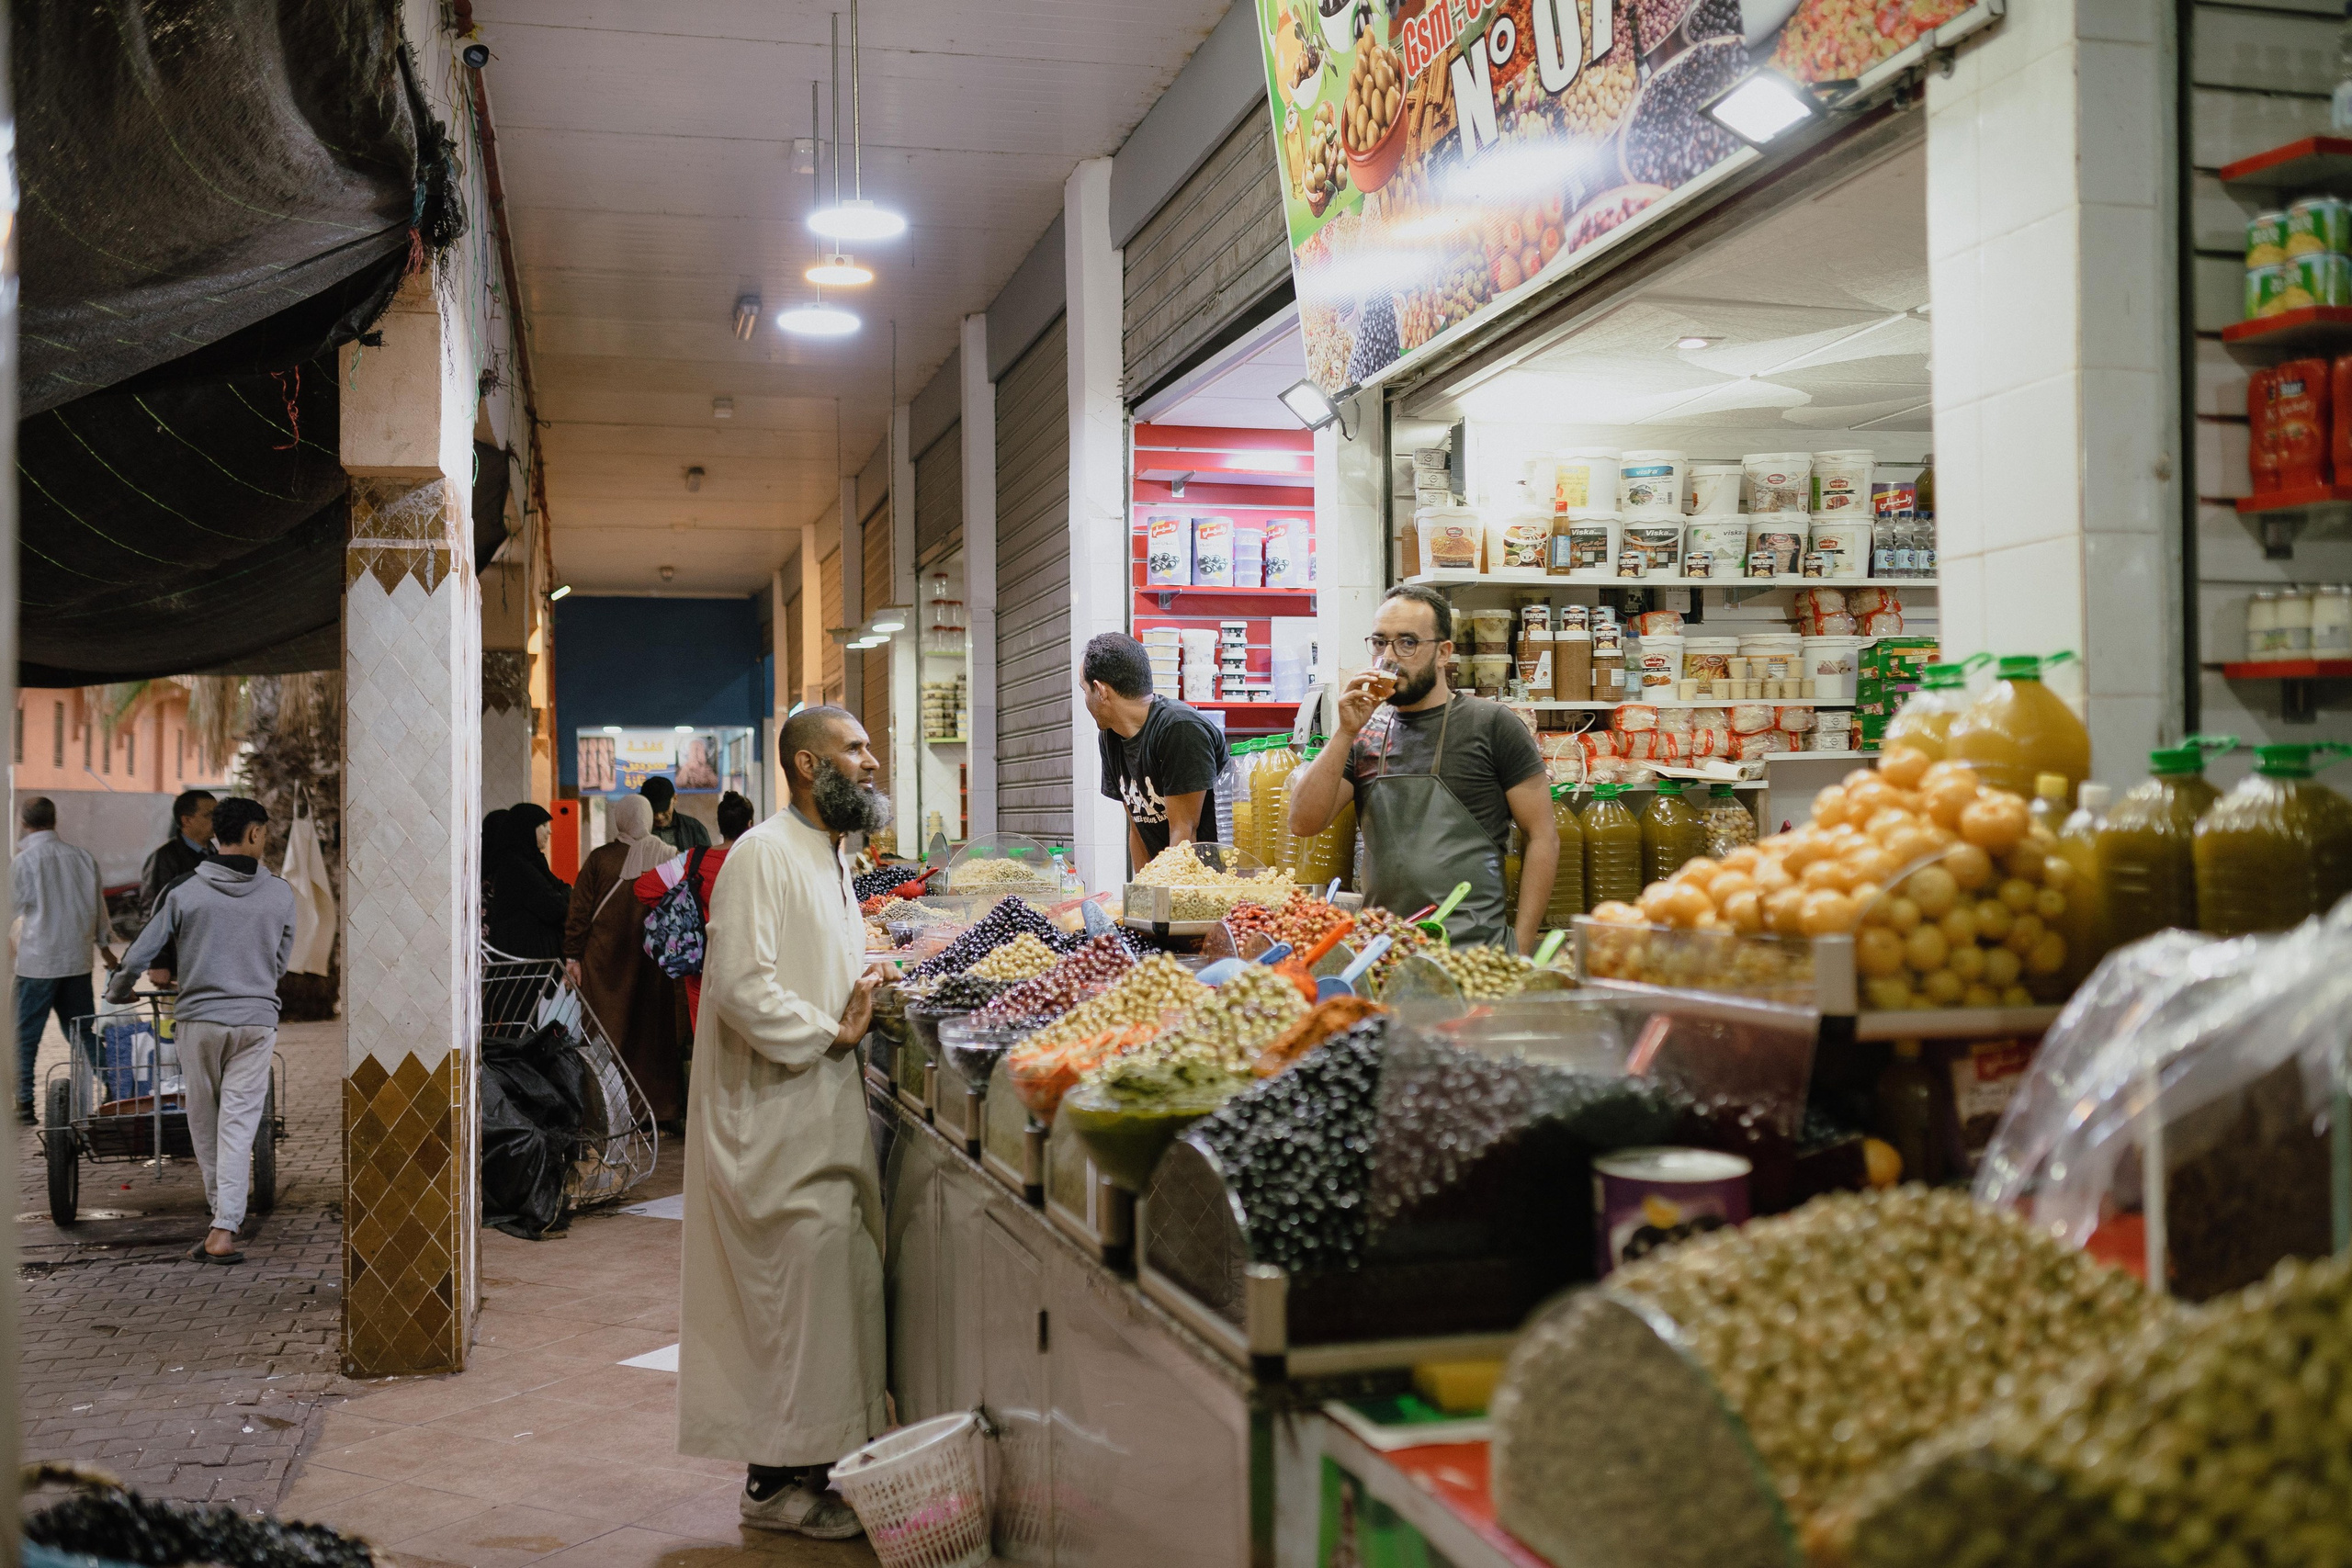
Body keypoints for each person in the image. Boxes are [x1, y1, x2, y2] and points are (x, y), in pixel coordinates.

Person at [679, 707, 890, 1540]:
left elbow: (815, 953)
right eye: (856, 748)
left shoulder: (828, 854)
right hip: (772, 1113)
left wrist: (868, 967)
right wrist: (829, 1030)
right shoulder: (762, 853)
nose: (872, 761)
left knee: (825, 1292)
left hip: (815, 1111)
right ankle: (772, 1484)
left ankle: (813, 1466)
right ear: (808, 764)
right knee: (792, 1296)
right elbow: (739, 983)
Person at [1286, 583, 1558, 953]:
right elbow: (1303, 823)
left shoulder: (1492, 724)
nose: (1390, 657)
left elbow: (1542, 836)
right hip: (1383, 953)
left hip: (1473, 953)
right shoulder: (1365, 733)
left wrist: (1522, 945)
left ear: (1444, 652)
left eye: (1408, 643)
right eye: (1380, 643)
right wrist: (1344, 732)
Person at [107, 797, 295, 1263]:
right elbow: (279, 963)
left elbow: (141, 950)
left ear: (215, 836)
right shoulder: (281, 893)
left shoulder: (184, 889)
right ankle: (221, 1225)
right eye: (264, 833)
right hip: (255, 1022)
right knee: (238, 1125)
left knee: (206, 1125)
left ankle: (222, 1226)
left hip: (199, 1021)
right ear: (253, 834)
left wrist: (118, 991)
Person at [566, 795, 686, 1125]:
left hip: (606, 962)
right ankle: (657, 1110)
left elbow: (579, 912)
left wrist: (573, 954)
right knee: (651, 1037)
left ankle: (605, 1113)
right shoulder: (668, 857)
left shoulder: (600, 860)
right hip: (653, 963)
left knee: (606, 1034)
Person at [1082, 631, 1230, 870]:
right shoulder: (1110, 737)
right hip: (1167, 880)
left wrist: (1166, 900)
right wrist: (1143, 896)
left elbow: (1184, 835)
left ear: (1100, 691)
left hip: (1208, 885)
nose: (1085, 699)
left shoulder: (1180, 728)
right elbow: (1138, 829)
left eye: (1084, 690)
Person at [13, 798, 115, 1122]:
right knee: (84, 1031)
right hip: (77, 962)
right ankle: (117, 1086)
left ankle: (25, 1105)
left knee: (25, 1035)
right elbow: (99, 908)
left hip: (37, 964)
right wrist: (105, 948)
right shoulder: (82, 858)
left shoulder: (24, 861)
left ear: (24, 822)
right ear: (54, 820)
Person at [635, 789, 755, 1032]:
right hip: (749, 959)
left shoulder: (694, 859)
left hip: (703, 960)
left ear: (720, 826)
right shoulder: (760, 860)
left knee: (704, 1036)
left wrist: (684, 909)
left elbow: (643, 888)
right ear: (750, 825)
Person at [486, 802, 570, 959]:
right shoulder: (515, 865)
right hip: (523, 961)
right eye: (544, 825)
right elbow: (554, 906)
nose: (549, 831)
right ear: (528, 828)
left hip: (532, 956)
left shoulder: (533, 861)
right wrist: (563, 894)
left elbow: (561, 891)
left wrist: (562, 893)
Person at [140, 789, 216, 921]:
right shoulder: (164, 858)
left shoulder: (216, 854)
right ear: (187, 820)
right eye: (209, 815)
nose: (216, 820)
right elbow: (153, 911)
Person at [641, 775, 713, 852]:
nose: (659, 817)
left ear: (675, 799)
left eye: (664, 810)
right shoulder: (636, 831)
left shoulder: (694, 828)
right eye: (654, 811)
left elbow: (706, 860)